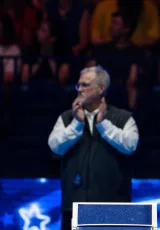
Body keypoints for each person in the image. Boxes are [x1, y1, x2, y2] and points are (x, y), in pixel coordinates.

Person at [48, 66, 139, 230]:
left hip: (113, 207)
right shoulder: (67, 118)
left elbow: (130, 146)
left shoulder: (123, 118)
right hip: (74, 206)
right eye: (78, 85)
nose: (79, 89)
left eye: (85, 85)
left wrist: (103, 124)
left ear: (101, 89)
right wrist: (77, 124)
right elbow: (55, 147)